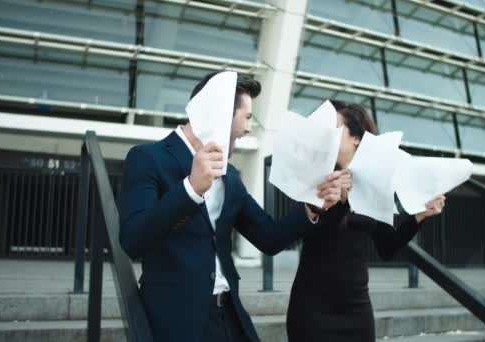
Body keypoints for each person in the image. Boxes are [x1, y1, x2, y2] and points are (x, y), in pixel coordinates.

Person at [118, 71, 344, 342]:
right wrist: (190, 189)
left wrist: (313, 206)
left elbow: (269, 237)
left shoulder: (231, 176)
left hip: (229, 317)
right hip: (177, 321)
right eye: (247, 116)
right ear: (219, 112)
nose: (249, 127)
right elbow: (132, 240)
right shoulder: (148, 159)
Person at [286, 101, 446, 342]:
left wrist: (419, 216)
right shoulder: (316, 179)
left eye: (335, 128)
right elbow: (313, 232)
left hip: (356, 308)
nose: (327, 135)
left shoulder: (373, 182)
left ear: (357, 138)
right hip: (312, 308)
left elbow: (386, 246)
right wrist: (336, 202)